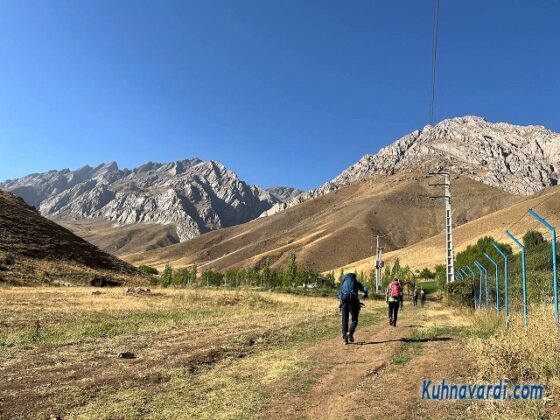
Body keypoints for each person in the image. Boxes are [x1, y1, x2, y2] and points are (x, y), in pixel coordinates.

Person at [338, 272, 368, 345]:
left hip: (344, 301)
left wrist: (341, 301)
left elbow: (339, 294)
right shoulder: (356, 283)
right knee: (355, 319)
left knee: (344, 319)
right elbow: (365, 289)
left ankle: (345, 339)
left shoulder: (343, 284)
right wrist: (365, 295)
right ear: (354, 277)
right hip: (353, 300)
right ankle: (350, 332)